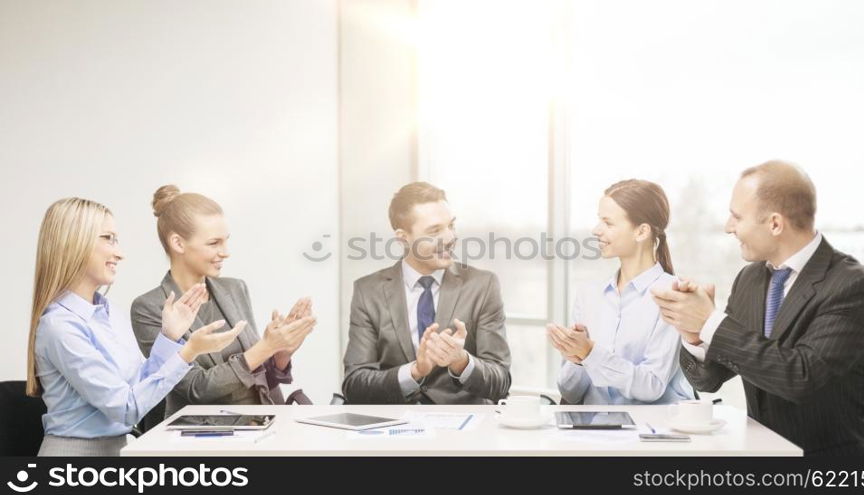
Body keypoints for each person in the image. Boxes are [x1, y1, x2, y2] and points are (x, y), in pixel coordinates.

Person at [651, 160, 864, 456]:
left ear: (775, 223)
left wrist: (711, 321)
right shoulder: (751, 278)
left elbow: (800, 377)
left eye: (737, 217)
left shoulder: (852, 286)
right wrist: (695, 334)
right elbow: (709, 379)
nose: (727, 227)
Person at [27, 197, 243, 456]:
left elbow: (138, 386)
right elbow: (126, 407)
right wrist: (187, 353)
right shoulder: (59, 327)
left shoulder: (109, 313)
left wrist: (169, 336)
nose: (119, 253)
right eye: (108, 238)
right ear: (73, 243)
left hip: (118, 450)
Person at [131, 186, 315, 428]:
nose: (225, 253)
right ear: (178, 243)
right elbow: (196, 389)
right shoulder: (149, 308)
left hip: (265, 429)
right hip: (205, 437)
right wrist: (265, 346)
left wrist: (279, 353)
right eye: (214, 243)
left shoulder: (234, 289)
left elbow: (259, 378)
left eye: (226, 241)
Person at [342, 182, 511, 404]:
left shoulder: (483, 286)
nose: (450, 237)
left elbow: (501, 383)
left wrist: (461, 361)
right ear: (403, 237)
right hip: (394, 431)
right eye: (434, 231)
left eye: (451, 226)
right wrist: (414, 371)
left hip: (464, 431)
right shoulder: (368, 291)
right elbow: (354, 385)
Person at [548, 179, 694, 405]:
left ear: (641, 231)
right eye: (599, 220)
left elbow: (652, 386)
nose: (596, 230)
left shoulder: (673, 296)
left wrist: (590, 353)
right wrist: (576, 359)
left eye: (608, 222)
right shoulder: (589, 295)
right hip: (592, 433)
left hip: (648, 433)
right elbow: (570, 393)